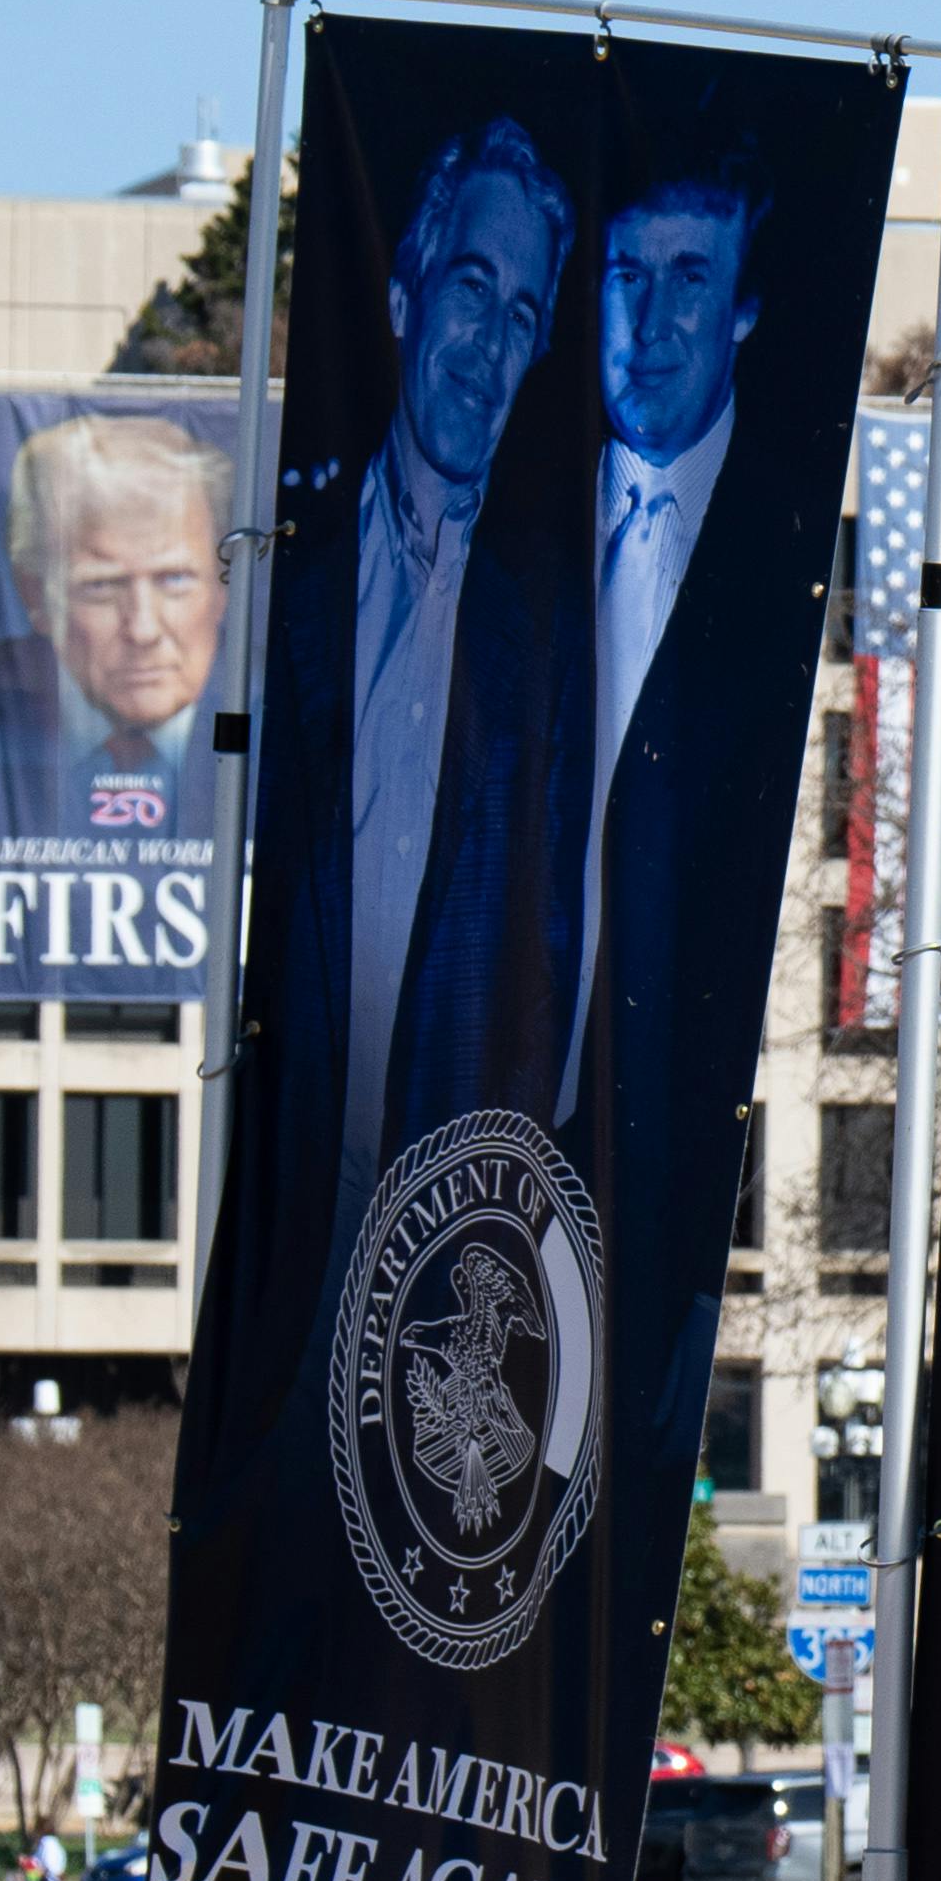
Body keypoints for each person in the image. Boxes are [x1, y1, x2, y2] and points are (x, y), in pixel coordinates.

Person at [341, 119, 574, 1159]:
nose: (489, 346)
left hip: (437, 1223)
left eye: (522, 315)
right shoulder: (292, 574)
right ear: (405, 294)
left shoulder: (555, 641)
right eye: (473, 288)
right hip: (286, 1202)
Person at [568, 160, 763, 1096]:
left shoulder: (788, 553)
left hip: (706, 1090)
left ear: (743, 309)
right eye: (625, 277)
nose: (649, 326)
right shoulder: (508, 538)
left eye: (689, 278)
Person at [0, 412, 232, 969]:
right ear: (36, 594)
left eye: (175, 579)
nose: (144, 629)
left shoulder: (288, 718)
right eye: (102, 586)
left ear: (224, 588)